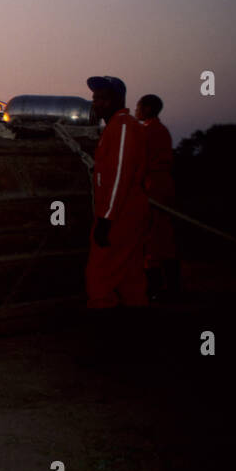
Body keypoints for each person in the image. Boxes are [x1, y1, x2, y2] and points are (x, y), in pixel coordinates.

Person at [84, 76, 150, 310]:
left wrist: (106, 219)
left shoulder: (122, 126)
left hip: (120, 214)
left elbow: (120, 174)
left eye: (103, 98)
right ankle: (132, 335)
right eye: (95, 98)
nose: (97, 103)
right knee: (130, 274)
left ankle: (103, 333)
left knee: (99, 275)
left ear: (117, 100)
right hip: (125, 212)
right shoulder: (117, 126)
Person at [135, 93, 179, 301]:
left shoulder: (148, 131)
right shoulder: (162, 130)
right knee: (164, 237)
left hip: (153, 186)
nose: (136, 111)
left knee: (150, 237)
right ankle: (172, 287)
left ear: (148, 109)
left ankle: (155, 288)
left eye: (139, 107)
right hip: (164, 186)